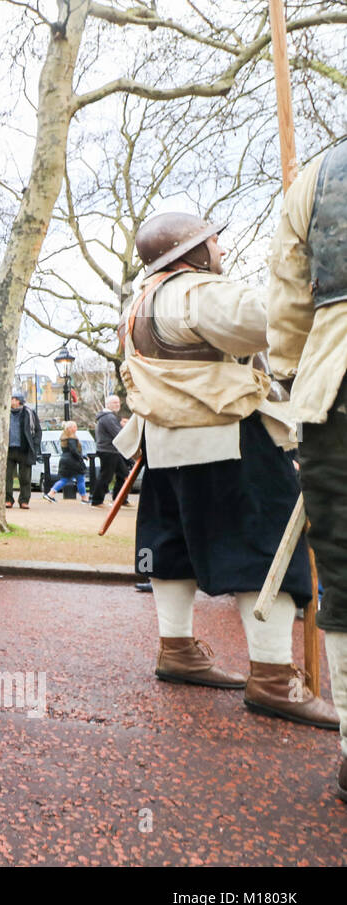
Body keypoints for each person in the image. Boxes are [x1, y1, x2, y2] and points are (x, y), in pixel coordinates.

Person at [115, 210, 336, 731]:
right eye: (213, 241)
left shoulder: (137, 302)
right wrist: (306, 272)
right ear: (192, 252)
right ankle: (274, 680)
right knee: (264, 550)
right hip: (227, 437)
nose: (219, 248)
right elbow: (274, 322)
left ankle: (176, 648)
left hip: (164, 445)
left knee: (172, 548)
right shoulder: (201, 292)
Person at [266, 141, 347, 800]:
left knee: (344, 575)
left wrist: (298, 379)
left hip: (336, 385)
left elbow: (287, 300)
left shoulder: (320, 175)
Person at [90, 395, 130, 507]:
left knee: (124, 475)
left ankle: (120, 500)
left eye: (118, 402)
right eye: (114, 403)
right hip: (109, 450)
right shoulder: (109, 417)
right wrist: (125, 427)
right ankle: (97, 501)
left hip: (111, 450)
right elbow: (118, 434)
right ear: (107, 404)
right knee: (106, 476)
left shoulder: (109, 417)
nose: (117, 405)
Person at [5, 391, 41, 509]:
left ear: (18, 400)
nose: (10, 401)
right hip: (8, 449)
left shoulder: (29, 413)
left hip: (24, 449)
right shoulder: (4, 412)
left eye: (12, 399)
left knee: (25, 477)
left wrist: (35, 446)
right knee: (7, 476)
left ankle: (24, 500)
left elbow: (37, 431)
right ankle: (8, 499)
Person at [42, 421, 88, 502]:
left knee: (64, 479)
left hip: (65, 460)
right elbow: (73, 450)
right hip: (73, 462)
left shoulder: (64, 437)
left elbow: (69, 449)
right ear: (70, 428)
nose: (76, 428)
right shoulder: (72, 438)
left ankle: (50, 494)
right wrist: (81, 457)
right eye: (74, 427)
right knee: (80, 479)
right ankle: (84, 498)